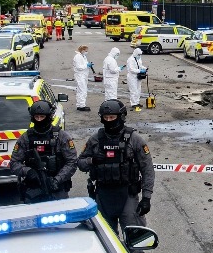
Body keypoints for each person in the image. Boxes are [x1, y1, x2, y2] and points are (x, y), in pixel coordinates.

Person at [77, 99, 154, 233]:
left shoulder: (134, 139)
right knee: (104, 238)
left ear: (121, 117)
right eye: (105, 117)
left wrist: (146, 197)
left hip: (128, 196)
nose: (109, 120)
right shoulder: (95, 139)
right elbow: (80, 164)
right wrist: (92, 161)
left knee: (135, 238)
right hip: (102, 196)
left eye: (112, 117)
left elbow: (147, 169)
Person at [9, 100, 77, 203]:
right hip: (33, 188)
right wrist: (28, 172)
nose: (39, 120)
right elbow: (14, 163)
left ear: (49, 117)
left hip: (57, 188)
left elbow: (72, 162)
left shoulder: (60, 136)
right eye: (37, 117)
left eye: (42, 117)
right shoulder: (26, 138)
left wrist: (57, 179)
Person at [73, 45, 92, 111]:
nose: (86, 52)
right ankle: (81, 105)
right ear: (82, 50)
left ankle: (80, 104)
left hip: (83, 75)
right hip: (80, 75)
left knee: (81, 90)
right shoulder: (78, 57)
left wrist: (88, 65)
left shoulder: (83, 56)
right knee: (82, 90)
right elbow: (79, 67)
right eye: (86, 51)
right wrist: (86, 65)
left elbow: (84, 65)